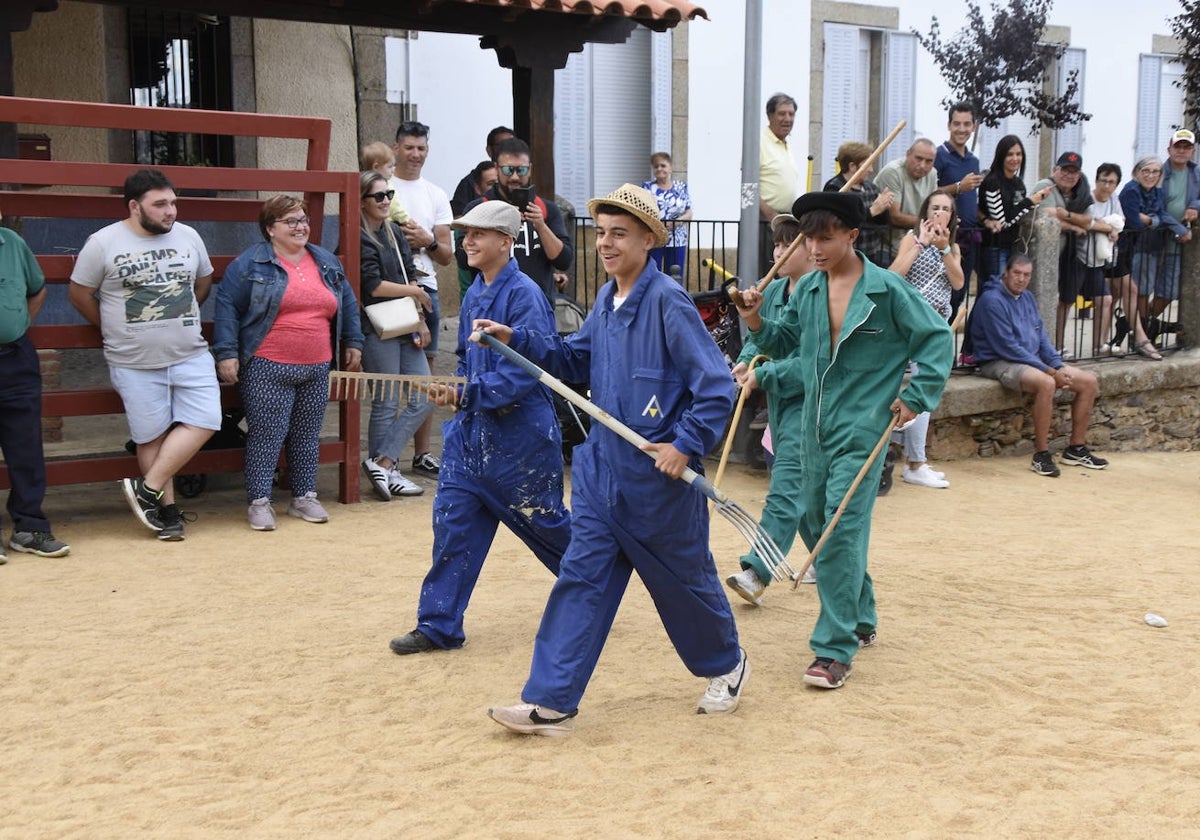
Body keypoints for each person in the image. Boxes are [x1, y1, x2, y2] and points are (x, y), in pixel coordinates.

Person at [481, 184, 745, 735]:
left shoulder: (669, 301)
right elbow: (574, 357)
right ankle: (551, 700)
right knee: (580, 579)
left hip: (658, 482)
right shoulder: (605, 299)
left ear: (649, 239)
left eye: (619, 233)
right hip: (602, 474)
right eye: (600, 232)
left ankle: (726, 664)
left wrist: (686, 443)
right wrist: (519, 339)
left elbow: (717, 386)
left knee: (686, 587)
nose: (605, 243)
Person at [733, 191, 953, 690]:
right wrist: (752, 317)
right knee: (814, 521)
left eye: (825, 237)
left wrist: (917, 395)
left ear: (852, 236)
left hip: (863, 430)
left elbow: (938, 337)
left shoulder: (888, 290)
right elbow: (778, 341)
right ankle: (862, 612)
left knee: (838, 529)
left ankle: (834, 650)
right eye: (809, 237)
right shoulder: (807, 289)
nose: (813, 247)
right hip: (810, 429)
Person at [387, 200, 572, 657]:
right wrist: (458, 387)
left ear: (505, 242)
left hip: (521, 441)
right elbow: (472, 362)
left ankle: (596, 590)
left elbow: (528, 368)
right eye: (465, 233)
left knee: (548, 528)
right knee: (453, 526)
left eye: (478, 234)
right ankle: (438, 625)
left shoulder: (525, 295)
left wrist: (467, 393)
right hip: (471, 438)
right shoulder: (473, 293)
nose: (467, 241)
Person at [68, 168, 220, 541]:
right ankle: (166, 513)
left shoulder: (189, 236)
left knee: (207, 420)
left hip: (190, 354)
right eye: (161, 204)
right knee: (151, 436)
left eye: (173, 202)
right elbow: (79, 294)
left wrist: (180, 318)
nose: (171, 211)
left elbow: (203, 282)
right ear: (135, 206)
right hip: (133, 362)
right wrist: (112, 328)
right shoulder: (103, 243)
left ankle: (146, 487)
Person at [213, 195, 363, 530]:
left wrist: (353, 341)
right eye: (290, 221)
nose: (301, 227)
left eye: (303, 219)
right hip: (268, 364)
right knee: (267, 434)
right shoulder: (249, 264)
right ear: (270, 229)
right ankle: (259, 501)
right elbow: (226, 307)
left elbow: (348, 302)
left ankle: (304, 497)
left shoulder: (325, 261)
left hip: (317, 364)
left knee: (308, 434)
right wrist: (226, 353)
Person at [725, 213, 816, 604]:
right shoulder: (775, 291)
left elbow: (814, 362)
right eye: (776, 244)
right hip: (780, 405)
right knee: (806, 497)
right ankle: (831, 560)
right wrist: (746, 362)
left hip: (812, 405)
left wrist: (767, 376)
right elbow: (758, 341)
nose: (778, 252)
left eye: (787, 244)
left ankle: (756, 571)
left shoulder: (821, 294)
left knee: (785, 490)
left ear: (809, 248)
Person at [968, 255, 1108, 478]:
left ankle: (1076, 448)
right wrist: (1051, 372)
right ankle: (1041, 454)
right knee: (1046, 383)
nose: (1021, 279)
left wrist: (1058, 366)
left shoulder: (1028, 298)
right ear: (1006, 272)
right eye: (1017, 273)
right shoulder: (991, 300)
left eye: (1026, 275)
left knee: (1089, 381)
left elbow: (1041, 338)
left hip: (1029, 359)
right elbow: (1008, 348)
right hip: (997, 361)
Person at [356, 171, 436, 501]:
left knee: (426, 394)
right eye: (378, 196)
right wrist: (414, 292)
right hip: (378, 325)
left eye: (388, 194)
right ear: (362, 201)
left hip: (404, 322)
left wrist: (420, 318)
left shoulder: (393, 233)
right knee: (386, 402)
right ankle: (388, 471)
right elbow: (371, 285)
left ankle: (383, 462)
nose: (386, 200)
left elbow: (407, 272)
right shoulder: (358, 236)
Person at [0, 213, 70, 561]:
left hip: (14, 357)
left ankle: (29, 528)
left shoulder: (12, 244)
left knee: (25, 447)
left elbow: (36, 290)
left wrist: (17, 323)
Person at [887, 190, 964, 490]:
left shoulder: (952, 247)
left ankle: (916, 462)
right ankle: (912, 463)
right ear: (925, 212)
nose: (940, 214)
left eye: (946, 209)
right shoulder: (910, 238)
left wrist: (944, 249)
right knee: (896, 387)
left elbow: (958, 282)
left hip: (934, 327)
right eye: (935, 208)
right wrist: (921, 243)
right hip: (907, 325)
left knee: (925, 391)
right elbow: (894, 274)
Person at [391, 120, 453, 478]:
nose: (416, 154)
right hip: (387, 286)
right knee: (386, 374)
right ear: (396, 147)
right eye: (410, 147)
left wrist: (426, 239)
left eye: (422, 148)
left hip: (425, 289)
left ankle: (423, 452)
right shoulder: (382, 185)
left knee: (425, 373)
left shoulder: (436, 194)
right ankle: (385, 456)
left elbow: (445, 255)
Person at [457, 136, 573, 302]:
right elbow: (463, 260)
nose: (515, 177)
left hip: (537, 307)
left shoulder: (546, 210)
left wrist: (540, 225)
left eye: (521, 170)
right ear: (496, 168)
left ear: (530, 169)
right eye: (508, 170)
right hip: (491, 304)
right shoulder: (479, 208)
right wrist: (497, 223)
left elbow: (564, 261)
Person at [1119, 156, 1187, 352]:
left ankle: (1141, 330)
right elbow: (1135, 222)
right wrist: (1154, 221)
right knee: (1140, 291)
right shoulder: (1131, 190)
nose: (1150, 175)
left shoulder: (1156, 191)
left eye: (1155, 171)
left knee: (1154, 291)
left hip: (1154, 246)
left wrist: (1153, 220)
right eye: (1146, 171)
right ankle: (1141, 335)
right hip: (1136, 248)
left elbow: (1159, 215)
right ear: (1137, 171)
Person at [1031, 152, 1096, 355]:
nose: (1069, 175)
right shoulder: (1045, 186)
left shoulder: (1080, 193)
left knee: (1065, 300)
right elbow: (1048, 214)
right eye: (1065, 170)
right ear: (1055, 170)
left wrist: (1066, 214)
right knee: (1040, 301)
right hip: (1042, 257)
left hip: (1068, 255)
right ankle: (1041, 346)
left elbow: (1088, 220)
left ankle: (1057, 344)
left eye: (1074, 172)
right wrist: (1073, 226)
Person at [934, 102, 985, 321]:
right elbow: (930, 193)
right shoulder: (939, 155)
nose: (962, 129)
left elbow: (971, 196)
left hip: (970, 235)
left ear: (974, 126)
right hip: (947, 236)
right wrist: (958, 187)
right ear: (949, 125)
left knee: (960, 293)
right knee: (943, 294)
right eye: (957, 124)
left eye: (966, 124)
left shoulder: (973, 159)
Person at [1145, 128, 1200, 330]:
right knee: (1143, 289)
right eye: (1178, 146)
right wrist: (1178, 227)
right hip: (1154, 238)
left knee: (1168, 291)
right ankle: (1140, 330)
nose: (1182, 151)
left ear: (1192, 150)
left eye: (1187, 147)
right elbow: (1157, 207)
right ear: (1169, 149)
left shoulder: (1196, 172)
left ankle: (1145, 326)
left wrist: (1195, 206)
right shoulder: (1158, 172)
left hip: (1178, 243)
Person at [1076, 163, 1123, 358]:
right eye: (1103, 180)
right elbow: (1086, 221)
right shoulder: (1087, 197)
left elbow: (1120, 221)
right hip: (1078, 256)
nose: (1106, 185)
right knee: (1066, 301)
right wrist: (1106, 227)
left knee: (1106, 300)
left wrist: (1112, 229)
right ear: (1096, 180)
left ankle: (1099, 346)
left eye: (1111, 182)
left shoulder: (1114, 200)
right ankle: (1057, 346)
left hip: (1097, 260)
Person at [822, 141, 895, 266]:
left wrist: (884, 207)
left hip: (872, 254)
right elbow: (841, 222)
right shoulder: (835, 188)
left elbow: (881, 222)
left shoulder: (871, 188)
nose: (871, 170)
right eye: (868, 165)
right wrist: (871, 211)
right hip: (846, 256)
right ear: (852, 166)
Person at [875, 138, 939, 260]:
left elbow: (934, 208)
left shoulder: (932, 174)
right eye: (918, 158)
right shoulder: (893, 171)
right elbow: (895, 217)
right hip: (887, 248)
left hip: (918, 247)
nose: (922, 165)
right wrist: (931, 223)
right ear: (908, 154)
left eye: (929, 161)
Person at [759, 92, 801, 273]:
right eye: (782, 113)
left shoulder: (785, 144)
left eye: (791, 114)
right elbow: (747, 186)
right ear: (769, 115)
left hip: (782, 218)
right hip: (763, 219)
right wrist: (770, 215)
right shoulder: (759, 142)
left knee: (783, 272)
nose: (787, 119)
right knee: (767, 271)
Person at [641, 151, 694, 276]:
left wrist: (677, 222)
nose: (659, 169)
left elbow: (689, 211)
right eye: (656, 166)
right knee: (653, 273)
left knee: (675, 275)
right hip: (654, 237)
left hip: (678, 238)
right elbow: (642, 211)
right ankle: (654, 296)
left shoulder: (681, 187)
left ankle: (673, 296)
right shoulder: (647, 187)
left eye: (663, 165)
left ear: (670, 167)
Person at [455, 161, 499, 302]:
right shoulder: (468, 221)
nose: (497, 189)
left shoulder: (527, 214)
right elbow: (464, 264)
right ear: (478, 188)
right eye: (491, 184)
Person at [450, 126, 513, 216]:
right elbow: (456, 219)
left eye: (512, 145)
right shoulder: (470, 182)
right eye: (502, 145)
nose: (508, 150)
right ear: (489, 150)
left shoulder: (519, 178)